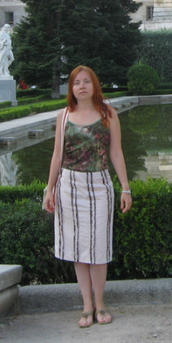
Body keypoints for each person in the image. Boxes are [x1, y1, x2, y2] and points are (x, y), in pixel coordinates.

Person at [42, 65, 132, 328]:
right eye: (76, 82)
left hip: (100, 184)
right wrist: (50, 188)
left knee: (99, 247)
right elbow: (57, 155)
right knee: (78, 249)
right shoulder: (64, 116)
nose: (81, 86)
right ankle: (87, 306)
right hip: (69, 185)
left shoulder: (108, 114)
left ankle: (101, 303)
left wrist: (125, 188)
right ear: (71, 88)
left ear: (95, 85)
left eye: (86, 82)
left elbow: (116, 153)